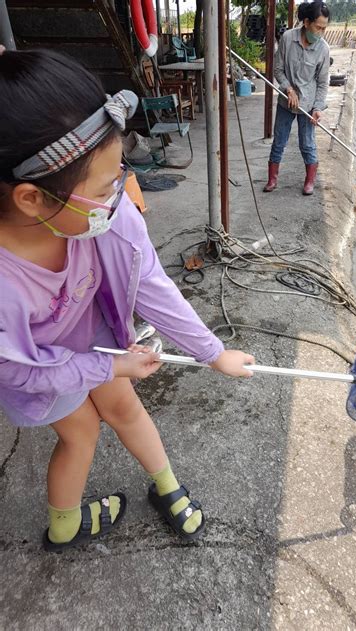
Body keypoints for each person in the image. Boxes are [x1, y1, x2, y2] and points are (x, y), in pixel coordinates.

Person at [0, 48, 255, 551]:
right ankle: (65, 527)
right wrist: (107, 369)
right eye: (106, 184)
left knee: (128, 410)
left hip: (93, 341)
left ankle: (166, 485)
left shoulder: (104, 218)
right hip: (45, 368)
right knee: (82, 434)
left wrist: (211, 351)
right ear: (31, 197)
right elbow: (23, 371)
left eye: (122, 174)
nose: (123, 193)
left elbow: (151, 285)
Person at [264, 1, 331, 196]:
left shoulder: (323, 49)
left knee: (307, 143)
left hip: (308, 105)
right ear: (307, 22)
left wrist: (318, 108)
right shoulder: (287, 38)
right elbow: (278, 69)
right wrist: (288, 88)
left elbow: (322, 83)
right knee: (279, 141)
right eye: (318, 27)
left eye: (324, 28)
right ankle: (272, 179)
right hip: (287, 103)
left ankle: (310, 181)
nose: (320, 32)